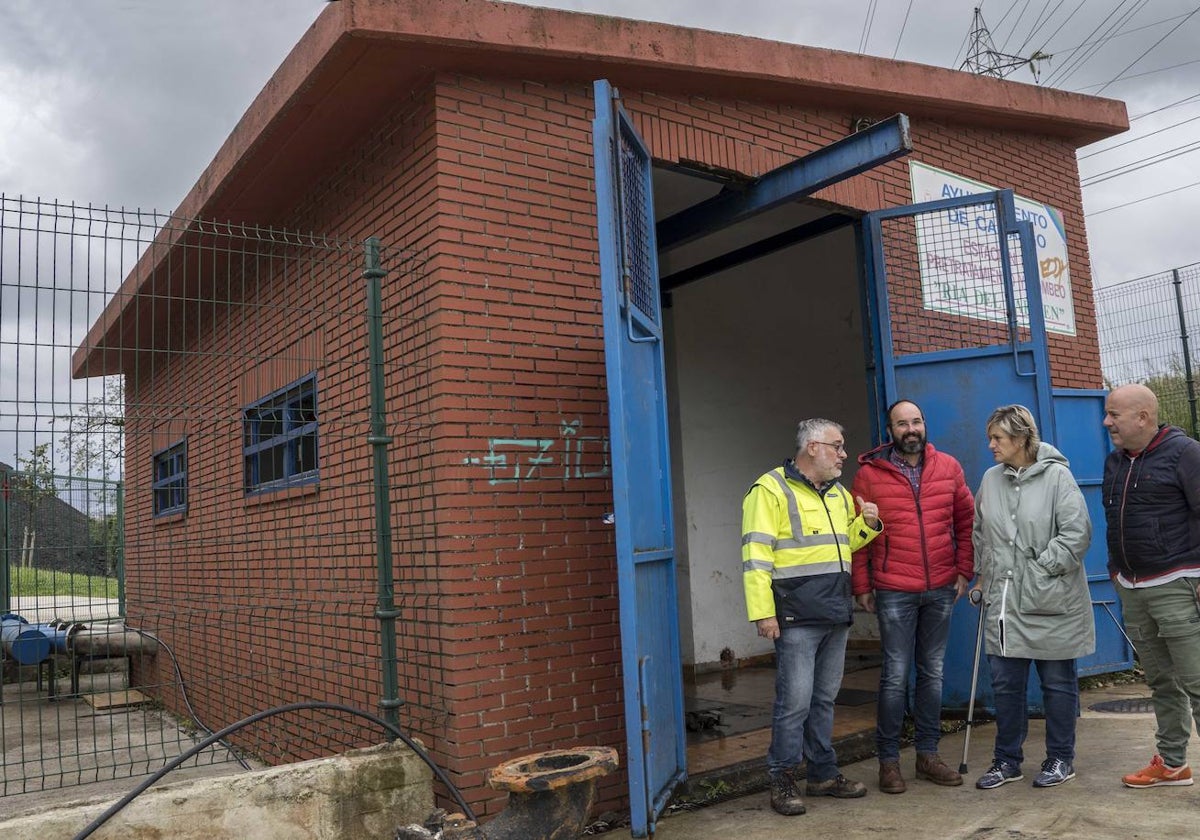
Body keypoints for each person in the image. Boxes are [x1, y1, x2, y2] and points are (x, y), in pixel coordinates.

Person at [742, 418, 883, 816]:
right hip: (796, 615)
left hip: (834, 611)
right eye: (837, 446)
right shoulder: (769, 489)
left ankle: (822, 773)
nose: (843, 454)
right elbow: (755, 557)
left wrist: (866, 526)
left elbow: (840, 546)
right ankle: (783, 778)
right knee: (794, 703)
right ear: (812, 448)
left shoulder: (838, 494)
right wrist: (763, 613)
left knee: (823, 699)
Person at [850, 399, 974, 794]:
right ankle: (888, 762)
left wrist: (963, 570)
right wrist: (862, 585)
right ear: (890, 432)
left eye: (916, 421)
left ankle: (928, 756)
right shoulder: (869, 476)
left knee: (932, 674)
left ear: (924, 425)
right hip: (893, 591)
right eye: (902, 423)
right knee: (894, 677)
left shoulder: (949, 467)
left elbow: (966, 521)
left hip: (940, 587)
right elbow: (858, 535)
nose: (911, 429)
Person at [970, 404, 1093, 790]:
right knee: (1006, 687)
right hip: (1003, 602)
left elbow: (1077, 535)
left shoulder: (1058, 478)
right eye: (990, 437)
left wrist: (1039, 572)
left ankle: (1060, 758)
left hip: (1050, 600)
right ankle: (1007, 761)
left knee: (1057, 684)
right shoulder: (990, 479)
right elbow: (980, 532)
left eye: (998, 438)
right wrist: (981, 576)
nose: (990, 445)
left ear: (1022, 438)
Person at [1102, 383, 1200, 788]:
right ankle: (1173, 763)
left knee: (1197, 681)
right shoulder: (1116, 461)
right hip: (1133, 586)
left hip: (1178, 584)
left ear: (1142, 417)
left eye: (1114, 415)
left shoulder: (1186, 453)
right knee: (1162, 681)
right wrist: (1115, 571)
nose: (1107, 422)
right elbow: (1115, 520)